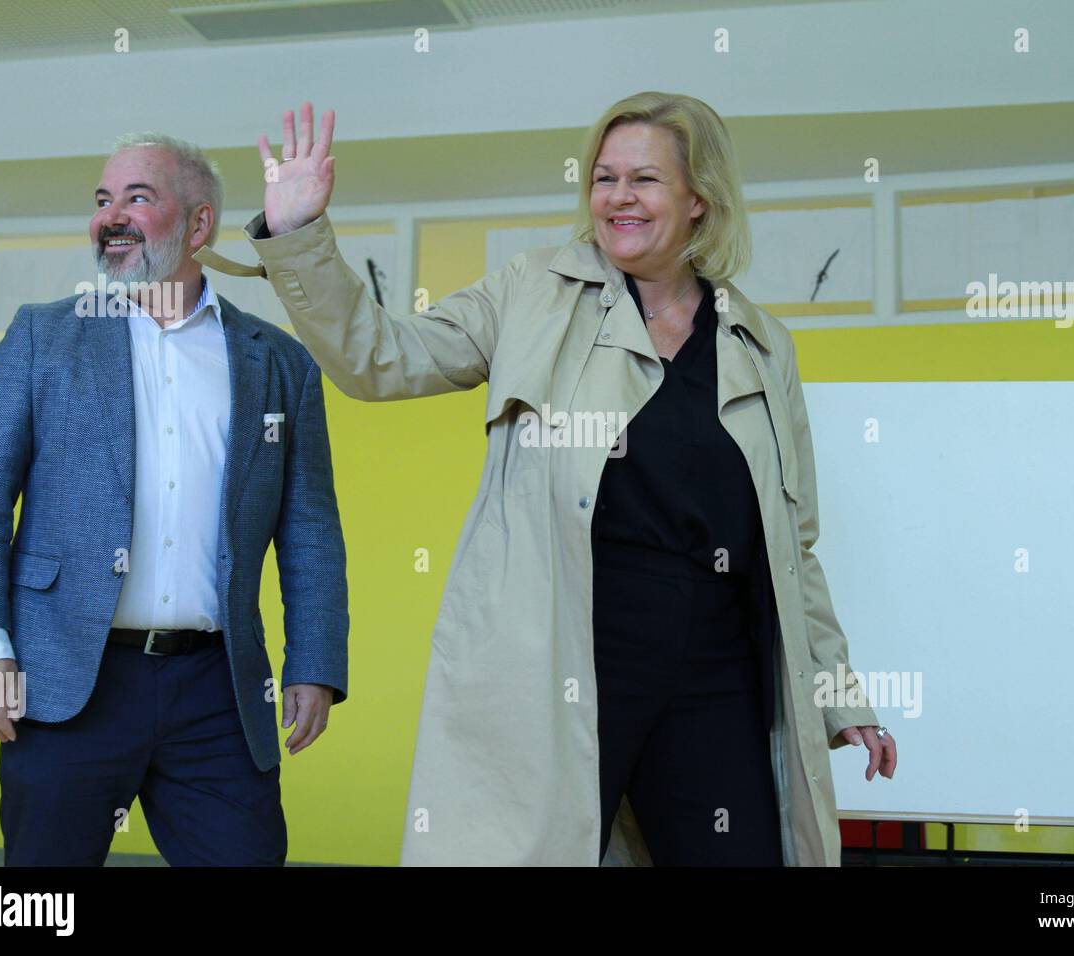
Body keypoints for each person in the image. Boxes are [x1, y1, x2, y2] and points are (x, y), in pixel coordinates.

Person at [222, 92, 895, 866]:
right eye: (603, 178)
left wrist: (838, 695)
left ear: (699, 198)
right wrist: (299, 235)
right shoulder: (531, 292)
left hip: (715, 670)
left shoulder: (761, 344)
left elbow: (791, 545)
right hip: (564, 657)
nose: (617, 197)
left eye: (643, 179)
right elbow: (382, 358)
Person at [0, 133, 349, 866]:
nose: (111, 216)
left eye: (137, 197)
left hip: (217, 692)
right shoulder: (42, 336)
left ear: (198, 225)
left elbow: (309, 524)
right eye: (102, 200)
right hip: (66, 681)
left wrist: (314, 661)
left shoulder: (278, 362)